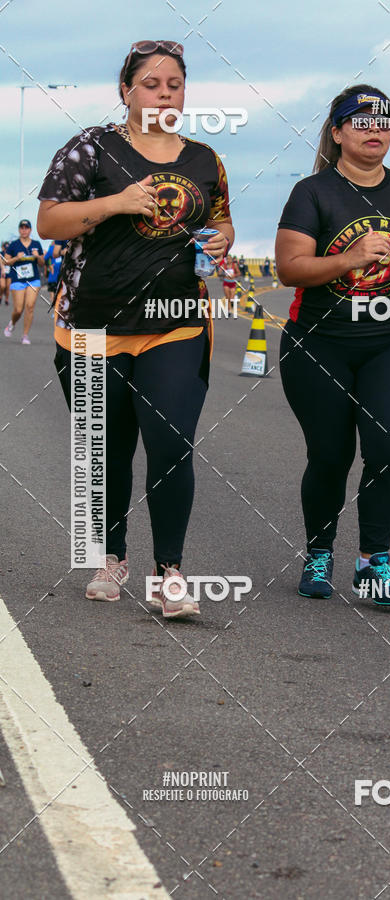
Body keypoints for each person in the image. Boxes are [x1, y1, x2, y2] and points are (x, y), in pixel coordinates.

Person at [37, 40, 233, 618]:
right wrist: (117, 202)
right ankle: (111, 557)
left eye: (174, 85)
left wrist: (220, 242)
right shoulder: (90, 148)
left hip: (175, 324)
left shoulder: (205, 159)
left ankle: (169, 570)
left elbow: (221, 223)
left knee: (171, 443)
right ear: (126, 91)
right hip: (93, 326)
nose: (164, 94)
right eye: (151, 84)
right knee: (108, 450)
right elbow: (50, 220)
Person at [276, 85, 390, 606]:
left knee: (388, 447)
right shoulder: (312, 193)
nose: (376, 130)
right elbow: (289, 269)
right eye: (363, 121)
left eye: (384, 122)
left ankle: (374, 562)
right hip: (317, 344)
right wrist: (350, 258)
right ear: (338, 131)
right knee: (331, 455)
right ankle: (319, 553)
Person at [3, 220, 44, 344]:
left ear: (30, 230)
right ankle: (12, 323)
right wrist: (17, 258)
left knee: (30, 307)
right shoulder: (14, 245)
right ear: (19, 229)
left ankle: (25, 335)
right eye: (22, 228)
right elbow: (6, 262)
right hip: (18, 280)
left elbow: (42, 263)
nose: (24, 230)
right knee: (18, 309)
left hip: (33, 280)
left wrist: (37, 256)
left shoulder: (36, 244)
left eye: (26, 228)